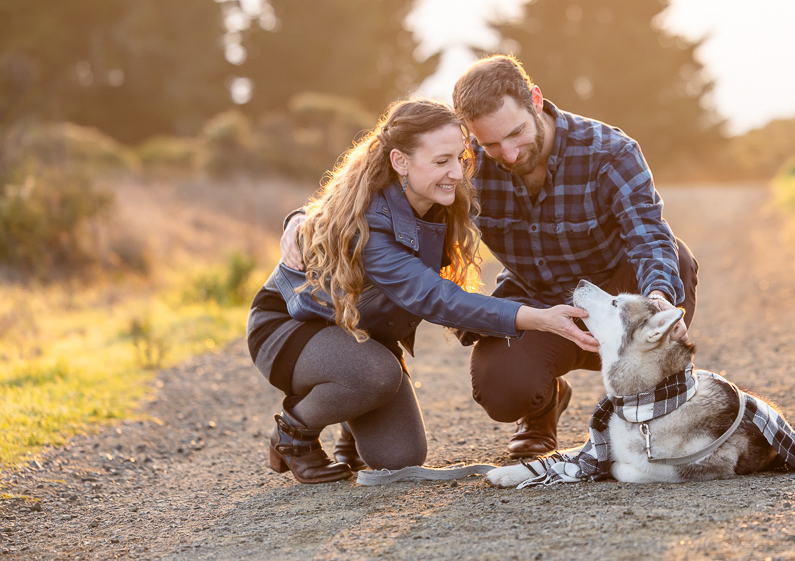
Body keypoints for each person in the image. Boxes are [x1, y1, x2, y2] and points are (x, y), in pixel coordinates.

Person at [282, 55, 698, 459]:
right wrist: (304, 219)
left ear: (535, 100)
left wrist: (659, 296)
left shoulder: (610, 151)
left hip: (613, 291)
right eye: (491, 143)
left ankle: (655, 415)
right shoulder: (464, 165)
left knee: (675, 259)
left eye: (516, 133)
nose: (510, 154)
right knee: (501, 390)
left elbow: (649, 236)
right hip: (535, 299)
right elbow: (382, 188)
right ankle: (541, 407)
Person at [249, 98, 596, 484]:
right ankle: (294, 435)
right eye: (441, 162)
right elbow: (434, 297)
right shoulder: (372, 224)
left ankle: (351, 416)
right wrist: (540, 319)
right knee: (377, 375)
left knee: (400, 456)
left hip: (360, 333)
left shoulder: (438, 194)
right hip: (292, 326)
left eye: (459, 159)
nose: (456, 173)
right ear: (400, 162)